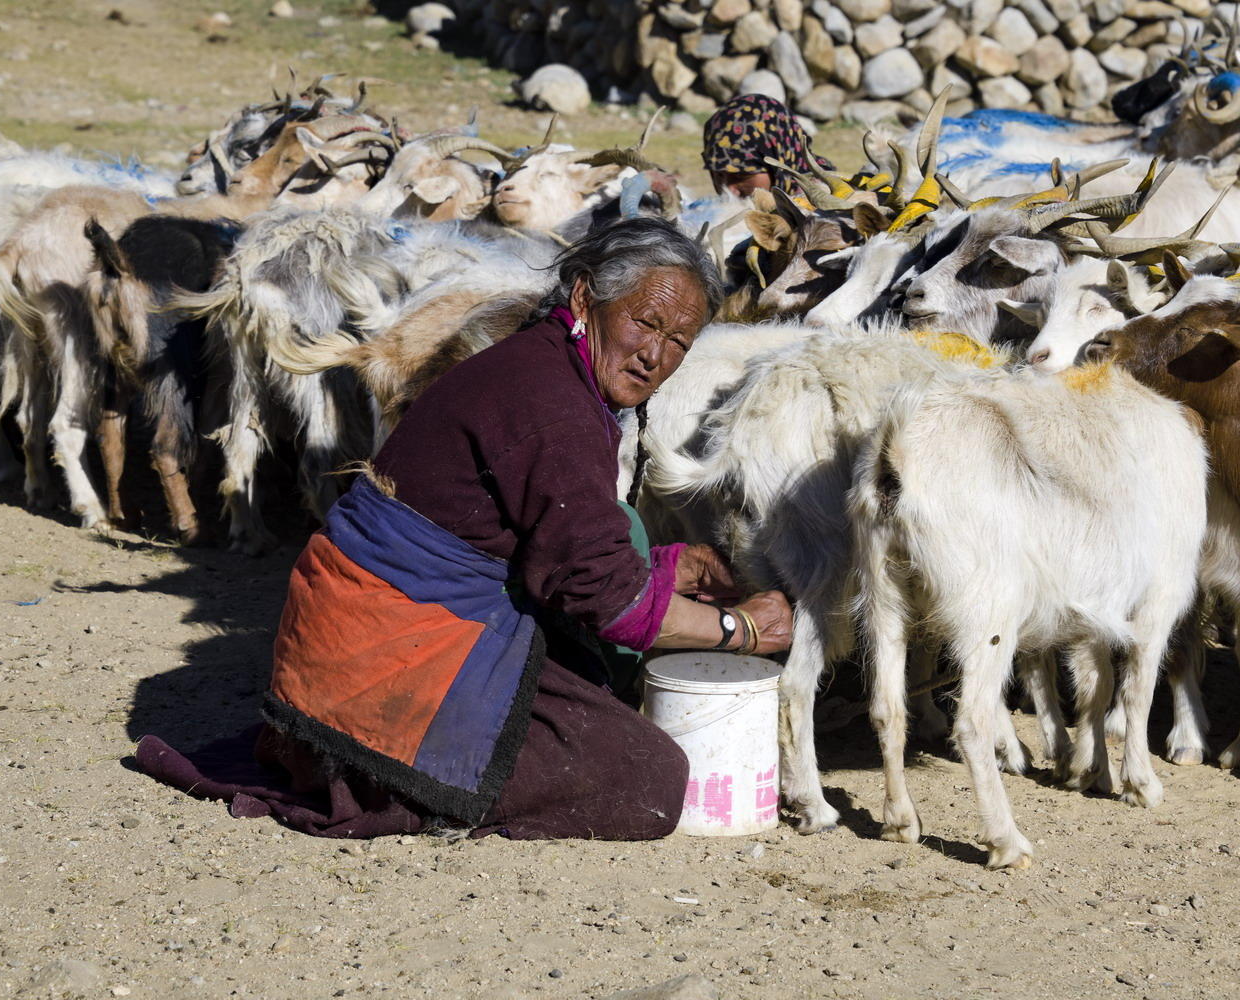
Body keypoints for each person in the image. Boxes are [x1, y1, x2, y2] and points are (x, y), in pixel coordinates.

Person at [137, 218, 794, 841]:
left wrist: (661, 570)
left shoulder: (541, 367)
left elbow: (548, 552)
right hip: (380, 663)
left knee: (597, 679)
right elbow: (605, 599)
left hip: (369, 637)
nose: (655, 354)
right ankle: (395, 783)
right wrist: (743, 631)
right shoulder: (555, 407)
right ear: (586, 296)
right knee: (648, 779)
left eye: (679, 340)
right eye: (645, 323)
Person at [702, 93, 836, 198]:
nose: (729, 192)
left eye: (740, 176)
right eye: (719, 175)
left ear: (778, 159)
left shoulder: (827, 206)